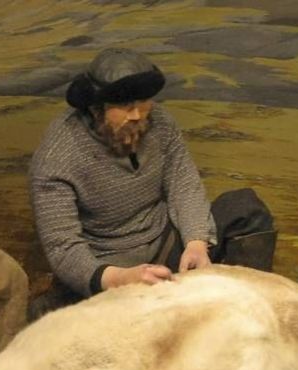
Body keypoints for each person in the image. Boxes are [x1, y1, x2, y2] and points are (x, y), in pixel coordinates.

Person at [27, 47, 278, 318]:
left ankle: (243, 314)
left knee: (244, 207)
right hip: (112, 265)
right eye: (125, 106)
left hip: (167, 245)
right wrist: (118, 279)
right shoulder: (58, 156)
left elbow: (183, 183)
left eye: (143, 102)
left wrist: (196, 241)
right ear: (96, 108)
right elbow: (63, 246)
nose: (137, 115)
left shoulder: (160, 123)